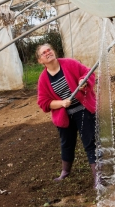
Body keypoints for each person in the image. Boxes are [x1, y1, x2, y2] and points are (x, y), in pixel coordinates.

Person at [35, 43, 98, 187]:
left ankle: (97, 176)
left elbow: (88, 73)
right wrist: (61, 103)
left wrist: (83, 81)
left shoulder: (69, 64)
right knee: (67, 144)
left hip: (83, 109)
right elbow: (44, 102)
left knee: (90, 142)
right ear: (40, 61)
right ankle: (65, 172)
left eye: (49, 49)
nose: (47, 53)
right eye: (43, 53)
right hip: (64, 115)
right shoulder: (43, 79)